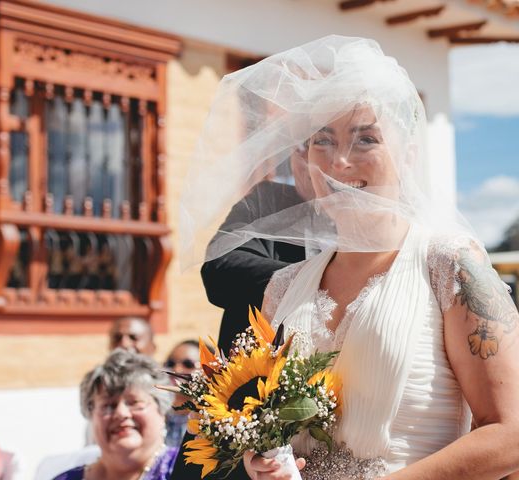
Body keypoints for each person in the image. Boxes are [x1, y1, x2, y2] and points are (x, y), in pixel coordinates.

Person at [180, 35, 519, 479]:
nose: (339, 162)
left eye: (366, 140)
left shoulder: (451, 264)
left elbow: (510, 434)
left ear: (408, 155)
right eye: (323, 140)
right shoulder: (282, 289)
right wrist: (265, 461)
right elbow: (279, 432)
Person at [52, 349, 178, 480]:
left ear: (162, 411)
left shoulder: (188, 468)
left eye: (134, 402)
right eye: (108, 406)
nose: (121, 413)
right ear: (91, 415)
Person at [162, 340, 202, 448]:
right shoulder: (154, 416)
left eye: (188, 364)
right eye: (171, 364)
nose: (177, 369)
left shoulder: (212, 422)